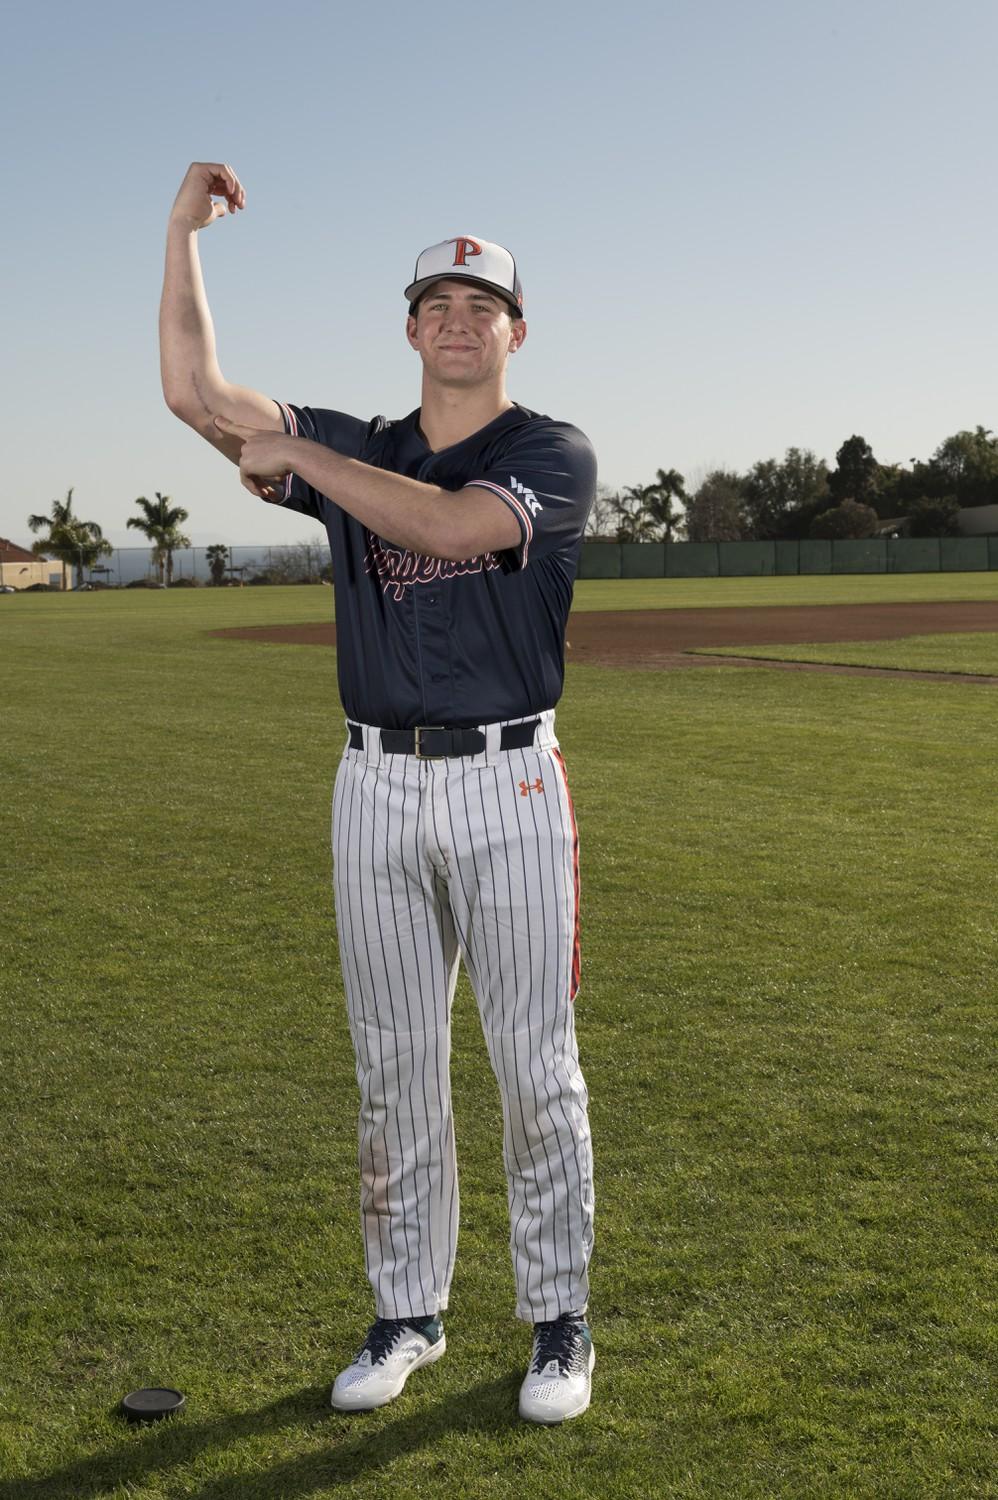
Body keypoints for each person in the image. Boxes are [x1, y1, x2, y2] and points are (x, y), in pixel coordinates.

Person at [160, 162, 597, 1425]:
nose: (458, 324)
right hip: (373, 783)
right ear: (410, 328)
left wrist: (300, 455)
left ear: (516, 330)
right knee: (392, 1062)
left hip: (509, 779)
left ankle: (557, 1323)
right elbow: (196, 396)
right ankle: (406, 1314)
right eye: (436, 306)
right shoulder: (360, 445)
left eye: (482, 306)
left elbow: (457, 529)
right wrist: (181, 233)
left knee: (533, 1065)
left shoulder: (546, 452)